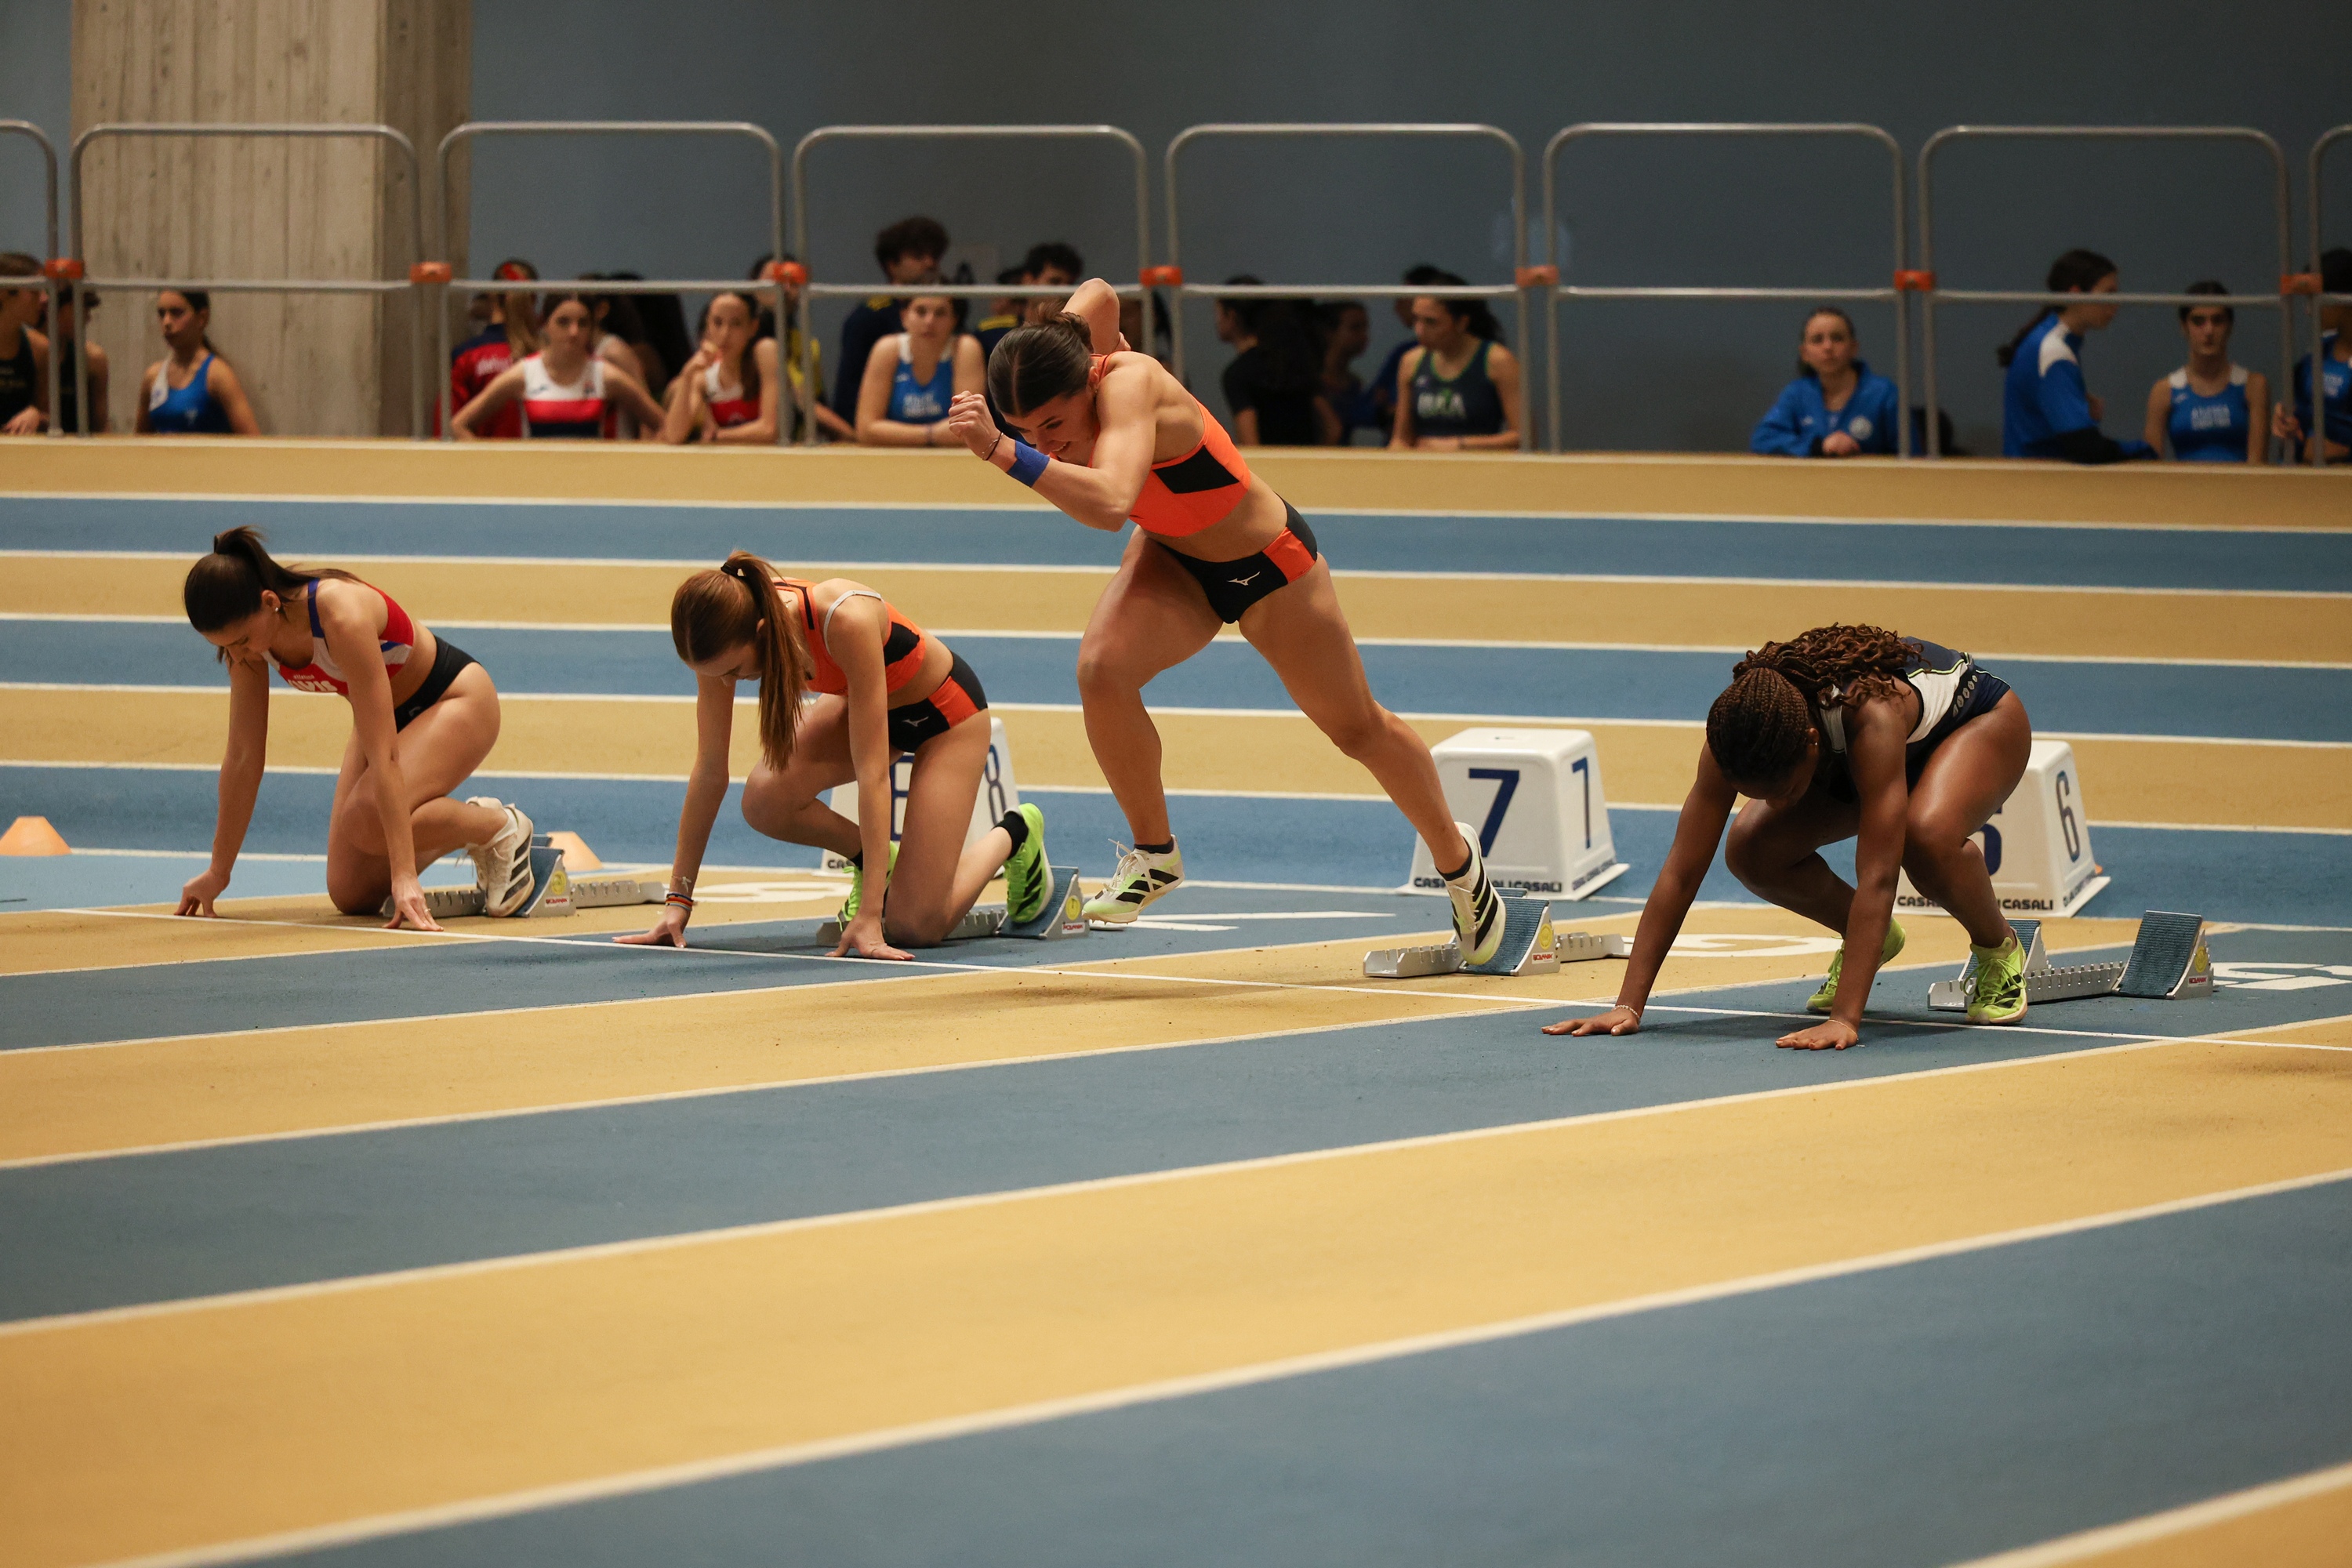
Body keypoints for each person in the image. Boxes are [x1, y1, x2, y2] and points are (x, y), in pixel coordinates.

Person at [944, 279, 1505, 967]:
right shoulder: (1068, 366)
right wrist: (1063, 333)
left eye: (1053, 426)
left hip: (1269, 566)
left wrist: (1002, 450)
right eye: (1026, 431)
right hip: (1175, 558)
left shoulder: (1129, 383)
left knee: (1358, 728)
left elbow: (1111, 502)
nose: (1046, 445)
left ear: (1089, 380)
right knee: (1101, 671)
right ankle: (1155, 854)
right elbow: (1100, 294)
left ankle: (1461, 867)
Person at [1544, 625, 2032, 1051]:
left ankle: (1999, 948)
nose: (1777, 805)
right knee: (1752, 849)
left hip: (1979, 723)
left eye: (1784, 791)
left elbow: (1879, 877)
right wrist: (1628, 1005)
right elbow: (1680, 871)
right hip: (1868, 753)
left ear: (1811, 744)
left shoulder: (1870, 716)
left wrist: (1845, 1019)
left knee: (1923, 838)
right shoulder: (1735, 735)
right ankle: (1871, 938)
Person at [618, 553, 1054, 959]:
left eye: (734, 671)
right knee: (764, 800)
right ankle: (875, 863)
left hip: (946, 717)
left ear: (762, 632)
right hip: (870, 705)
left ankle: (1016, 832)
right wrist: (678, 902)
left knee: (914, 927)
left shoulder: (843, 619)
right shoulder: (718, 646)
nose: (729, 681)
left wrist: (870, 916)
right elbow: (711, 770)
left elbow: (872, 774)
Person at [177, 527, 538, 930]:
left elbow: (385, 754)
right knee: (351, 891)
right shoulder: (246, 645)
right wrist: (219, 872)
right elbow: (244, 757)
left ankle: (499, 828)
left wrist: (405, 875)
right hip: (383, 717)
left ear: (270, 602)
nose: (238, 654)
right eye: (224, 646)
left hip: (456, 701)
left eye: (242, 640)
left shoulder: (339, 615)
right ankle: (461, 829)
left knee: (366, 819)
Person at [1998, 249, 2152, 463]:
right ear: (2075, 294)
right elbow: (2086, 447)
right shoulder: (2053, 351)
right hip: (2039, 476)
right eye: (2109, 294)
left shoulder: (2052, 339)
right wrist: (2141, 450)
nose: (2117, 303)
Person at [450, 290, 666, 441]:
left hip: (593, 483)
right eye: (563, 322)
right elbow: (459, 425)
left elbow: (665, 426)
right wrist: (492, 466)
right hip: (536, 485)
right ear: (545, 325)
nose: (574, 332)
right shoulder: (524, 374)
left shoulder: (606, 376)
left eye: (583, 323)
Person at [831, 215, 948, 418]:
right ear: (892, 264)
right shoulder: (868, 318)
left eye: (935, 256)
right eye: (918, 256)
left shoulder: (949, 307)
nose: (930, 263)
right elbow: (849, 391)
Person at [1389, 276, 1523, 450]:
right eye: (1416, 319)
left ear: (1461, 323)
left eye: (1431, 322)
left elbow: (1524, 437)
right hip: (1425, 464)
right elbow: (1400, 439)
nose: (1419, 330)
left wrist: (1459, 445)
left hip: (1479, 464)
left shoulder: (1498, 360)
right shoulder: (1411, 361)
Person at [1750, 307, 1902, 457]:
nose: (1828, 347)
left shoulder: (1884, 394)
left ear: (1853, 348)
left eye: (1837, 338)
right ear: (1805, 353)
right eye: (1817, 340)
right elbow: (1763, 439)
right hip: (1812, 474)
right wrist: (1817, 447)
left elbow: (1911, 454)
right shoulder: (1797, 393)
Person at [2143, 281, 2268, 463]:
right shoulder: (2163, 392)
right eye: (2198, 321)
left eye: (2217, 321)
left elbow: (2257, 465)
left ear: (2230, 326)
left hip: (2239, 482)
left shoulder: (2254, 386)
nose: (2209, 331)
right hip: (2184, 483)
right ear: (2184, 327)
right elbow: (2151, 468)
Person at [1215, 278, 1333, 446]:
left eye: (1218, 313)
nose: (1216, 321)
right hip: (1306, 460)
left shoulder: (1238, 374)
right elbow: (1333, 426)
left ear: (1231, 316)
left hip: (1269, 462)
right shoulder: (1292, 360)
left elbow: (1250, 442)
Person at [855, 292, 983, 445]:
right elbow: (866, 430)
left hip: (949, 455)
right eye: (921, 312)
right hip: (894, 455)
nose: (930, 321)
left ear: (954, 320)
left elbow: (970, 427)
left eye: (940, 313)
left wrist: (893, 433)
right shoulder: (886, 349)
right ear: (904, 316)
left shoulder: (966, 348)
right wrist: (932, 434)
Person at [662, 290, 781, 445]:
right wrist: (687, 375)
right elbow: (674, 436)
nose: (725, 334)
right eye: (717, 323)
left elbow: (769, 431)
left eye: (736, 324)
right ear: (708, 326)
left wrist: (717, 436)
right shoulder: (703, 378)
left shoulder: (766, 352)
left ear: (753, 327)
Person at [136, 289, 260, 435]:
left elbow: (252, 441)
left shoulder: (218, 375)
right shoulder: (153, 377)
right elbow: (138, 441)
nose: (167, 322)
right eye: (162, 314)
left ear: (202, 318)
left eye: (177, 313)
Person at [2274, 248, 2351, 464]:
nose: (2309, 311)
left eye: (2314, 300)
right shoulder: (2318, 352)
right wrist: (2285, 421)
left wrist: (2343, 450)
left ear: (2341, 299)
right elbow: (2297, 410)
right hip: (2305, 474)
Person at [447, 259, 539, 440]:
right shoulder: (546, 357)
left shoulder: (467, 356)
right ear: (534, 298)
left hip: (481, 456)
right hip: (543, 456)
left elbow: (447, 427)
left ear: (491, 294)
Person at [1367, 264, 1447, 434]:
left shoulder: (1488, 358)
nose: (1397, 305)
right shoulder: (1407, 356)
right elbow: (1374, 405)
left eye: (1404, 296)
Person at [42, 284, 108, 434]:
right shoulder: (30, 351)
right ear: (66, 309)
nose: (88, 318)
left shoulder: (92, 359)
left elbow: (102, 426)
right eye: (84, 309)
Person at [0, 253, 51, 434]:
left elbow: (52, 418)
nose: (44, 299)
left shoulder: (39, 348)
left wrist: (37, 415)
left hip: (21, 448)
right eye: (35, 291)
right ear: (4, 292)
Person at [1316, 299, 1377, 445]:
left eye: (1365, 328)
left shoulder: (1353, 383)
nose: (1364, 336)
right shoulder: (1315, 383)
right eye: (1355, 328)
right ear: (1329, 333)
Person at [1014, 241, 1083, 325]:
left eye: (1070, 285)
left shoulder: (1080, 331)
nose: (1064, 293)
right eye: (1055, 282)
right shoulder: (1001, 330)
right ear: (1029, 280)